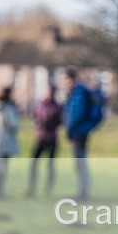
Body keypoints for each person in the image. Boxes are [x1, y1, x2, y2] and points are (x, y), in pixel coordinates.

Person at [63, 67, 94, 200]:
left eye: (64, 79)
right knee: (79, 161)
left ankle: (82, 192)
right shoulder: (76, 92)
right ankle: (82, 191)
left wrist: (71, 128)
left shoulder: (78, 93)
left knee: (80, 161)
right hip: (79, 131)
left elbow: (77, 113)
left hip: (79, 132)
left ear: (70, 79)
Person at [26, 84, 63, 197]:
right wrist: (38, 123)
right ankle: (31, 187)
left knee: (50, 165)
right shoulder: (39, 105)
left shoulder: (57, 107)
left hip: (51, 138)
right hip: (40, 138)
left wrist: (49, 123)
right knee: (34, 163)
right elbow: (33, 118)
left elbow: (60, 121)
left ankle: (48, 189)